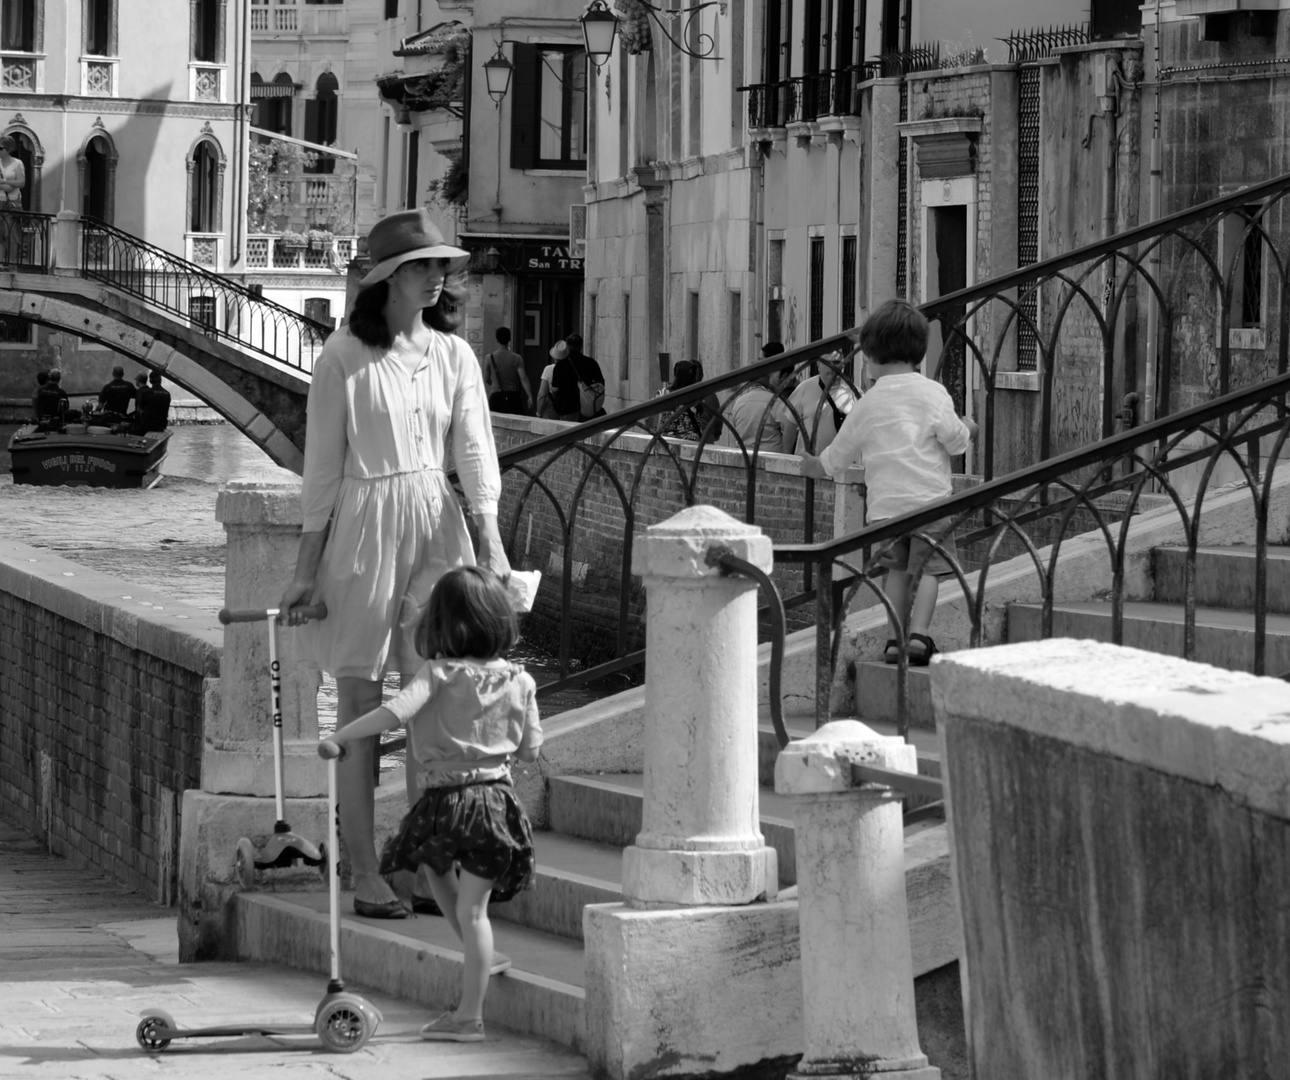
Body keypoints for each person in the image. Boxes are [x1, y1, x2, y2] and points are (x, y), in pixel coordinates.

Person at [278, 207, 509, 920]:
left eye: (443, 266)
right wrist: (305, 568)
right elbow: (323, 468)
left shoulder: (454, 354)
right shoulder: (343, 355)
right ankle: (365, 869)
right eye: (423, 266)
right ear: (387, 277)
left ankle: (422, 862)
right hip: (364, 527)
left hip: (438, 526)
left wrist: (491, 539)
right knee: (361, 705)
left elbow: (473, 451)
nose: (438, 278)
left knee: (434, 698)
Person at [318, 566, 540, 1042]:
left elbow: (390, 714)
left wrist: (340, 735)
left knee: (445, 883)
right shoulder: (521, 681)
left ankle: (469, 1017)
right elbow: (530, 750)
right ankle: (485, 954)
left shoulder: (436, 675)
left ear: (439, 623)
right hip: (497, 803)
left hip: (445, 802)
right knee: (460, 895)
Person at [800, 300, 977, 667]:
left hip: (885, 508)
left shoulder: (868, 402)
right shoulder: (932, 393)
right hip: (930, 501)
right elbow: (956, 442)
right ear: (918, 349)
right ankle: (919, 635)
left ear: (874, 353)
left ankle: (895, 639)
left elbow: (839, 454)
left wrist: (816, 465)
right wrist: (970, 428)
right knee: (929, 571)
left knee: (896, 571)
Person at [786, 347, 860, 455]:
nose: (832, 367)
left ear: (843, 365)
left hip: (840, 468)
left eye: (836, 362)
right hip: (808, 465)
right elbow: (789, 429)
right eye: (826, 362)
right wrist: (786, 461)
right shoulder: (804, 389)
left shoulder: (855, 393)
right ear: (818, 365)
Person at [726, 342, 795, 454]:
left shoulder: (738, 402)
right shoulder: (776, 402)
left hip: (744, 458)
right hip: (771, 460)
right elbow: (788, 430)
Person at [654, 360, 720, 442]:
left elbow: (649, 418)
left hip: (667, 442)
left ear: (675, 375)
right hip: (694, 443)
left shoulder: (663, 394)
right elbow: (717, 425)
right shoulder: (701, 396)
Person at [548, 332, 605, 422]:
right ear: (581, 346)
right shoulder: (591, 363)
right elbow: (601, 384)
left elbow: (555, 388)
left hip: (568, 409)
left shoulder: (560, 366)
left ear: (567, 347)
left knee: (571, 434)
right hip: (587, 408)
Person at [482, 327, 533, 415]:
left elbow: (486, 379)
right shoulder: (517, 358)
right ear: (509, 339)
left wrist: (494, 382)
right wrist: (530, 395)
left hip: (496, 397)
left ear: (497, 339)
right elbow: (523, 378)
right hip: (512, 397)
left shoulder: (489, 358)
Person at [0, 134, 24, 264]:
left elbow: (21, 182)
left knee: (11, 236)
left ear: (8, 149)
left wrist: (4, 181)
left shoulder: (17, 163)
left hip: (12, 202)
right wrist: (4, 184)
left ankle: (13, 265)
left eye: (1, 148)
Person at [534, 342, 562, 420]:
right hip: (570, 410)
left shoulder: (549, 369)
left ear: (554, 357)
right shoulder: (570, 369)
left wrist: (538, 413)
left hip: (552, 409)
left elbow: (542, 394)